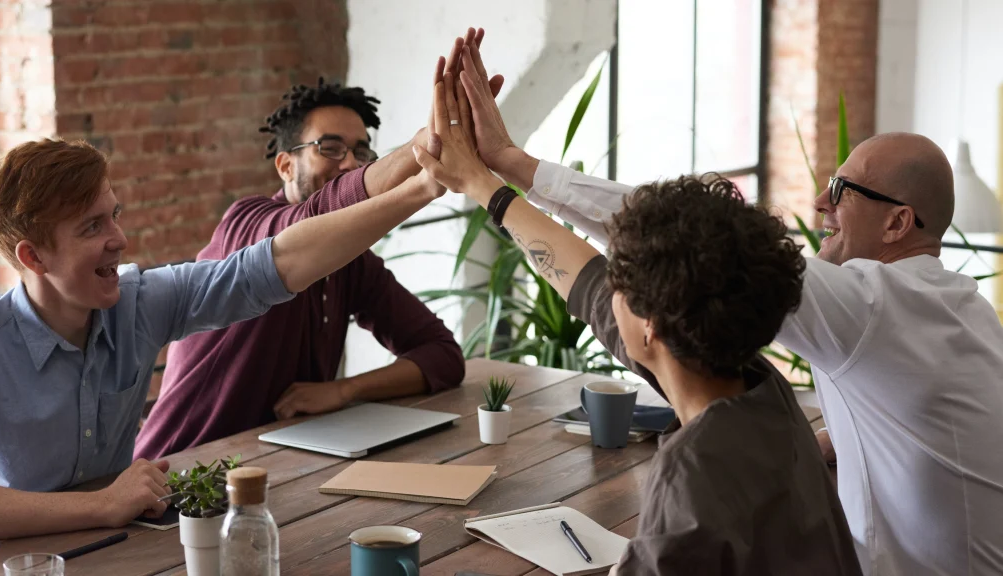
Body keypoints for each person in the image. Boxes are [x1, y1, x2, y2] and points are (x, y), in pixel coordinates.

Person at [449, 30, 1003, 575]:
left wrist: (507, 168)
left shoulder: (870, 307)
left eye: (840, 190)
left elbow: (677, 240)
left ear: (898, 222)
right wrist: (835, 442)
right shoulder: (957, 309)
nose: (818, 201)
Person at [411, 54, 861, 574]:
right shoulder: (759, 390)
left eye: (619, 281)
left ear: (652, 324)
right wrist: (488, 184)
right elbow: (587, 286)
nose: (608, 289)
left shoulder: (695, 475)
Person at [0, 118, 445, 537]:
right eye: (91, 227)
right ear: (33, 257)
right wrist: (101, 505)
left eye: (115, 215)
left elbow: (277, 263)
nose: (119, 239)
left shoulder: (138, 303)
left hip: (125, 552)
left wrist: (422, 187)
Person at [136, 33, 505, 459]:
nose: (349, 162)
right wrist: (426, 147)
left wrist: (344, 390)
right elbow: (317, 218)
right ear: (285, 164)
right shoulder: (247, 224)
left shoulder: (353, 263)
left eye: (361, 151)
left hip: (285, 471)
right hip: (180, 478)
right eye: (330, 148)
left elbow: (441, 356)